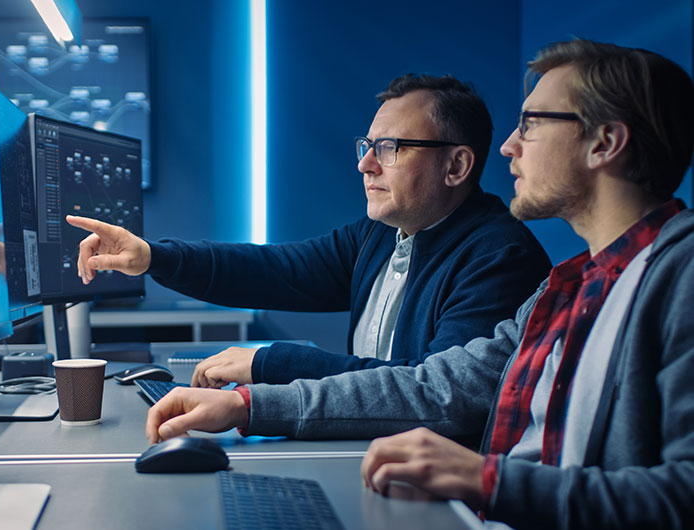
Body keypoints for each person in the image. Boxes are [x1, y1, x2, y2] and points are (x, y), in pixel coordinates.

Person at [145, 39, 694, 529]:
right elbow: (436, 386)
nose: (508, 147)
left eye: (530, 125)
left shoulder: (678, 277)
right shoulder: (567, 288)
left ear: (604, 143)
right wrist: (248, 404)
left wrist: (486, 480)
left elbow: (681, 497)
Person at [67, 74, 550, 388]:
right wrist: (153, 257)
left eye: (388, 148)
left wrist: (269, 363)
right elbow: (273, 271)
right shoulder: (380, 235)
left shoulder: (498, 257)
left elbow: (429, 392)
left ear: (456, 166)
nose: (365, 164)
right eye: (367, 145)